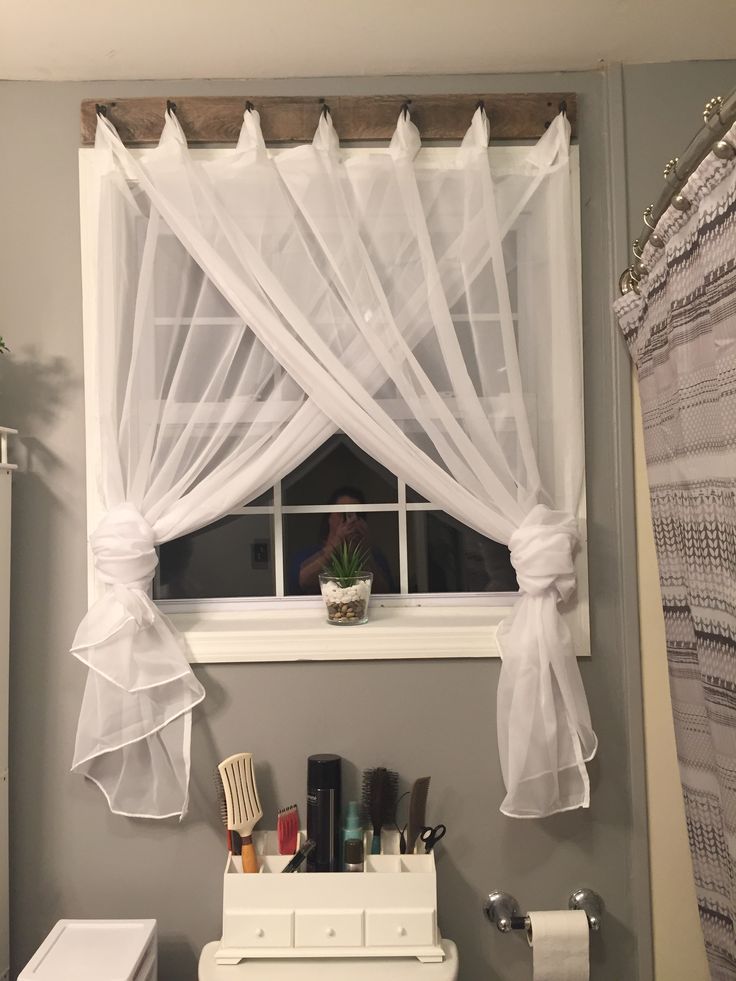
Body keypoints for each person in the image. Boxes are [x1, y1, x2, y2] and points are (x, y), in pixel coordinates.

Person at [288, 486, 395, 595]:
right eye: (343, 514)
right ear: (329, 518)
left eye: (357, 515)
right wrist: (336, 545)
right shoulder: (309, 554)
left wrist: (363, 552)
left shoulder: (374, 556)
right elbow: (302, 582)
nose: (350, 521)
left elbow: (385, 592)